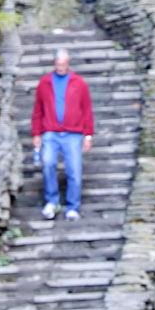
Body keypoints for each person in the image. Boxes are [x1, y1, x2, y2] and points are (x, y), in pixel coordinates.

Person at [31, 46, 93, 221]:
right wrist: (36, 134)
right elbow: (38, 110)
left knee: (74, 170)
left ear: (68, 64)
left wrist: (88, 135)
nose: (61, 67)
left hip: (73, 133)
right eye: (58, 64)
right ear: (54, 63)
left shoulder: (79, 83)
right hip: (50, 132)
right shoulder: (45, 83)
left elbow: (87, 110)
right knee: (48, 163)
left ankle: (73, 206)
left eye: (64, 64)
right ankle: (52, 200)